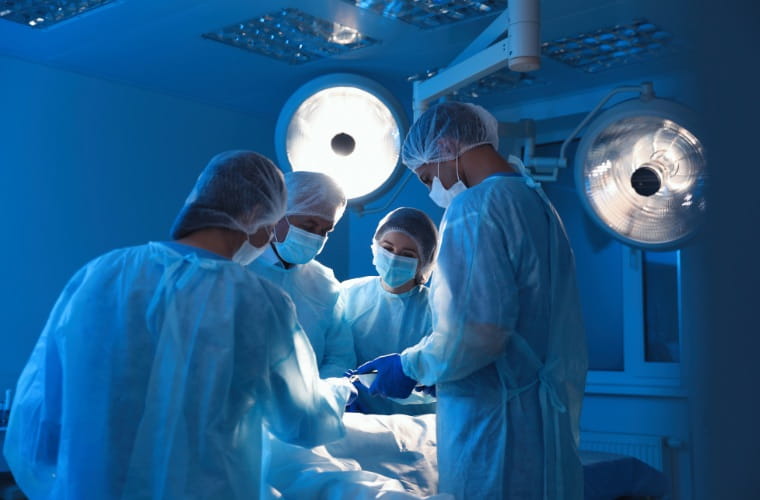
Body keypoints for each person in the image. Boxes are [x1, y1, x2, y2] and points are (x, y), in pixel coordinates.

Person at [3, 151, 353, 500]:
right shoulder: (259, 301)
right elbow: (303, 423)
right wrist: (345, 390)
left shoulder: (102, 274)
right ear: (255, 215)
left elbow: (41, 425)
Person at [357, 102, 588, 499]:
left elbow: (480, 332)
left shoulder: (476, 206)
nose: (432, 189)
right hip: (541, 423)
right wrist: (443, 373)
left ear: (445, 146)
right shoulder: (538, 203)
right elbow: (519, 325)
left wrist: (411, 365)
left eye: (426, 176)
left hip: (495, 431)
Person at [249, 170, 355, 378]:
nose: (316, 236)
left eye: (325, 231)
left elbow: (340, 357)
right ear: (277, 215)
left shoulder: (324, 283)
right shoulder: (239, 268)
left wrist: (314, 397)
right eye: (308, 226)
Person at [341, 207, 439, 415]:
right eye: (388, 248)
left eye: (407, 254)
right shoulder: (348, 294)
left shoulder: (437, 308)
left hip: (417, 425)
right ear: (375, 247)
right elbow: (334, 355)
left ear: (424, 262)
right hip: (357, 419)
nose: (394, 258)